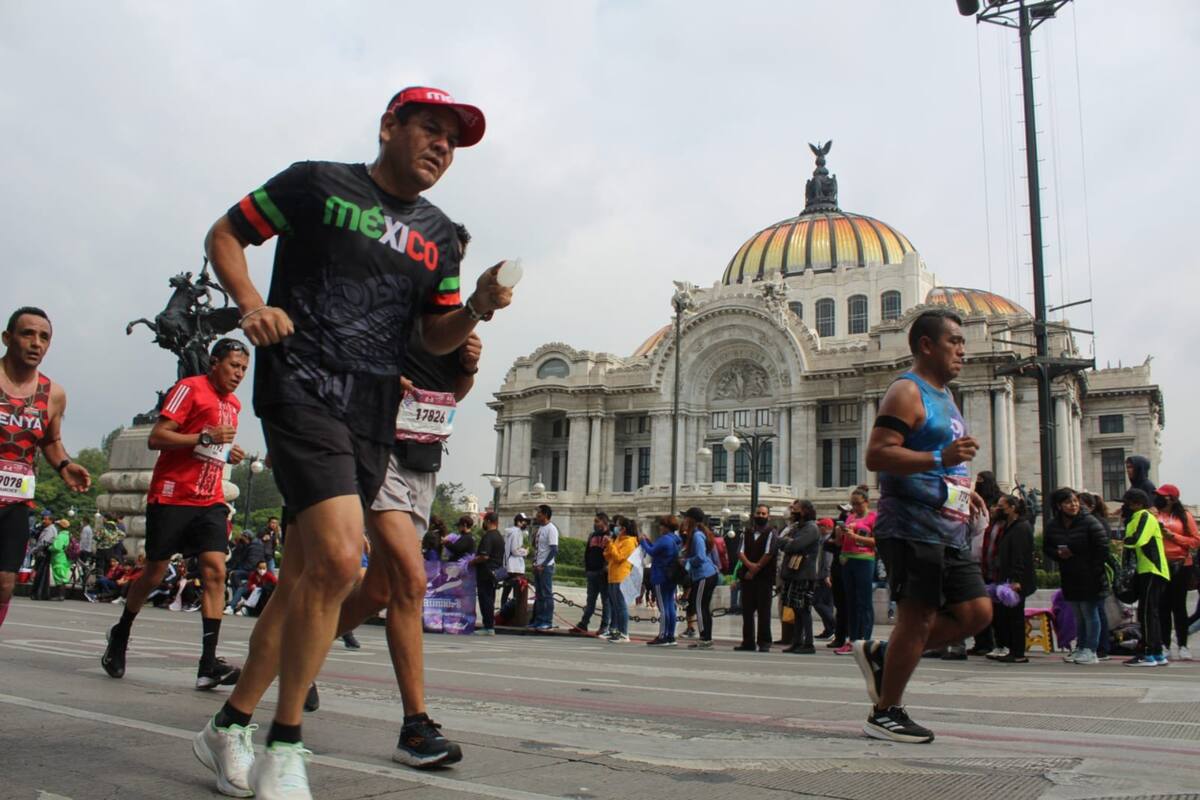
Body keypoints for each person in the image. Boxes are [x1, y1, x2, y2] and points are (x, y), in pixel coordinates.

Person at [193, 86, 506, 799]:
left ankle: (229, 723)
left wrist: (478, 309)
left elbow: (434, 333)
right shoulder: (315, 183)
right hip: (302, 383)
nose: (441, 148)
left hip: (373, 409)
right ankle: (286, 742)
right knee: (340, 557)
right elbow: (225, 233)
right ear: (389, 125)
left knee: (307, 580)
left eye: (452, 143)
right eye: (430, 130)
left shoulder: (440, 235)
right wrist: (251, 305)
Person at [856, 308, 992, 743]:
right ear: (926, 345)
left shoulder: (946, 397)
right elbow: (877, 455)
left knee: (977, 613)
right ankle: (885, 711)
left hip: (947, 528)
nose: (962, 352)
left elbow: (943, 459)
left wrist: (962, 489)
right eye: (955, 342)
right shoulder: (906, 392)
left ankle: (884, 656)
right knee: (917, 619)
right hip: (911, 527)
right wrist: (943, 460)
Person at [101, 338, 250, 689]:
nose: (238, 374)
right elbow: (158, 437)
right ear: (215, 362)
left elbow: (212, 448)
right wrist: (204, 436)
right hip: (172, 496)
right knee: (154, 572)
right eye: (233, 366)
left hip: (209, 499)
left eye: (244, 369)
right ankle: (121, 632)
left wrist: (228, 454)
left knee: (216, 571)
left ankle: (208, 663)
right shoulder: (189, 389)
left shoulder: (234, 404)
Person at [0, 307, 91, 628]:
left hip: (15, 502)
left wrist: (65, 465)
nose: (36, 343)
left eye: (44, 337)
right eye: (27, 334)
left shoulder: (53, 394)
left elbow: (50, 441)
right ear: (7, 338)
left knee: (5, 584)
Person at [1042, 487, 1110, 665]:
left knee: (1090, 612)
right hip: (1070, 574)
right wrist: (1058, 554)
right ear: (1059, 505)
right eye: (1067, 502)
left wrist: (1093, 567)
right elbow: (1047, 546)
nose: (1073, 505)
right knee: (1078, 614)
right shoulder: (1054, 524)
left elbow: (1103, 547)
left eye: (1074, 501)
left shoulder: (1089, 521)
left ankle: (1091, 649)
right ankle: (1081, 647)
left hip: (1090, 575)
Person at [1122, 489, 1169, 666]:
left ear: (1137, 504)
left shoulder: (1143, 516)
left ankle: (1148, 652)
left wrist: (1120, 538)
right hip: (1148, 570)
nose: (1124, 508)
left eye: (1127, 504)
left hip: (1151, 570)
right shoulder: (1139, 517)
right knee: (1148, 612)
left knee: (1148, 613)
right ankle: (1156, 652)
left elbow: (1138, 539)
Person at [1153, 485, 1198, 661]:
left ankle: (1183, 645)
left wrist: (1173, 536)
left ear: (1172, 498)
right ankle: (1164, 644)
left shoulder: (1184, 516)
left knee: (1179, 607)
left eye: (1163, 496)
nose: (1159, 498)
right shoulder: (1154, 514)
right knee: (1162, 606)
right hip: (1160, 565)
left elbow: (1195, 541)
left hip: (1181, 565)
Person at [989, 494, 1035, 663]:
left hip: (1016, 580)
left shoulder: (1021, 527)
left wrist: (1016, 580)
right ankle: (1011, 649)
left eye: (1002, 506)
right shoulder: (1009, 526)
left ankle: (1018, 652)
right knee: (1007, 616)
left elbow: (1020, 556)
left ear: (1012, 508)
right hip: (1006, 577)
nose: (998, 509)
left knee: (1015, 616)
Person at [835, 487, 877, 655]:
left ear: (866, 502)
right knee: (850, 601)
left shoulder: (874, 517)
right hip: (847, 560)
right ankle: (852, 639)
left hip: (864, 560)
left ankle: (865, 639)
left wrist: (856, 537)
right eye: (852, 504)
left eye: (857, 504)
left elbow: (877, 540)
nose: (854, 507)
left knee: (864, 602)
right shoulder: (850, 517)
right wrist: (840, 533)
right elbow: (839, 543)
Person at [779, 500, 821, 654]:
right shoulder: (798, 527)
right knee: (796, 609)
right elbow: (782, 541)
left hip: (804, 574)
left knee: (803, 609)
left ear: (803, 511)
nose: (792, 512)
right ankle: (797, 642)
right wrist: (787, 542)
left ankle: (808, 643)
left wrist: (787, 543)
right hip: (795, 573)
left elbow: (794, 545)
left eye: (794, 509)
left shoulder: (811, 528)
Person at [735, 504, 778, 653]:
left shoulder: (771, 532)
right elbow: (740, 552)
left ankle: (764, 642)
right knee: (747, 611)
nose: (760, 516)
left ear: (768, 516)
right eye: (758, 513)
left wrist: (755, 569)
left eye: (763, 514)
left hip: (764, 578)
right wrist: (749, 566)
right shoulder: (746, 532)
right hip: (747, 578)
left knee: (764, 611)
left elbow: (769, 553)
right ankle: (748, 642)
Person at [640, 515, 682, 646]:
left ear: (666, 527)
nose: (660, 527)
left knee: (663, 607)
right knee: (670, 606)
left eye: (662, 525)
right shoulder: (676, 540)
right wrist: (649, 542)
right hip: (671, 576)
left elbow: (652, 551)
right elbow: (659, 550)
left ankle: (662, 635)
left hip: (660, 575)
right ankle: (670, 635)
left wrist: (643, 541)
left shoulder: (664, 539)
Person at [681, 508, 719, 649]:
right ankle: (706, 637)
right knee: (703, 607)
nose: (683, 520)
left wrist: (686, 562)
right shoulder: (700, 534)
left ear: (691, 520)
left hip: (703, 575)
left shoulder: (696, 536)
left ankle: (704, 638)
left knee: (699, 606)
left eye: (685, 518)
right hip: (708, 574)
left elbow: (701, 557)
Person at [572, 513, 612, 635]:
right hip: (592, 572)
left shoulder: (610, 536)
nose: (595, 524)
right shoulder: (592, 536)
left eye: (597, 521)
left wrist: (606, 567)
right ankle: (584, 624)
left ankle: (605, 626)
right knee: (590, 600)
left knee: (606, 601)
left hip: (603, 573)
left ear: (604, 522)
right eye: (594, 521)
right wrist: (587, 568)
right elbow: (587, 552)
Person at [603, 516, 638, 642]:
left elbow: (619, 557)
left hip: (622, 576)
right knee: (615, 605)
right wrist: (607, 546)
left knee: (621, 605)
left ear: (623, 528)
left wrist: (611, 545)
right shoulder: (619, 539)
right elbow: (609, 557)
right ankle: (616, 630)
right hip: (613, 575)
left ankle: (624, 633)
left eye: (618, 526)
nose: (615, 528)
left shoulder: (629, 541)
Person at [472, 512, 505, 635]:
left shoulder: (489, 536)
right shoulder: (499, 536)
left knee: (485, 598)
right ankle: (489, 625)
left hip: (486, 572)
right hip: (494, 572)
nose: (483, 524)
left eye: (484, 521)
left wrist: (473, 561)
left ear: (488, 521)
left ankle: (488, 626)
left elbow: (484, 556)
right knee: (490, 599)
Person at [529, 505, 559, 631]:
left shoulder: (551, 529)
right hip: (538, 565)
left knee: (546, 594)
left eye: (539, 514)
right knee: (539, 595)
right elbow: (537, 548)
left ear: (545, 515)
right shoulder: (541, 528)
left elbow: (554, 550)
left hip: (545, 567)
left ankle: (547, 621)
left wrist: (544, 564)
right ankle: (538, 620)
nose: (537, 516)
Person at [812, 518, 837, 639]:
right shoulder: (822, 540)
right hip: (823, 576)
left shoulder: (827, 540)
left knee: (817, 602)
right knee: (827, 604)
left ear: (826, 527)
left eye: (820, 525)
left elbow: (828, 560)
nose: (818, 528)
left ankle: (834, 625)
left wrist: (827, 575)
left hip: (824, 577)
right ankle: (829, 629)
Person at [499, 512, 529, 612]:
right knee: (517, 592)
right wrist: (525, 552)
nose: (525, 524)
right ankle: (514, 613)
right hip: (516, 565)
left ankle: (503, 610)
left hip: (509, 564)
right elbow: (515, 550)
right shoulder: (517, 532)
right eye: (524, 522)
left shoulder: (510, 532)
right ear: (518, 522)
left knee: (506, 590)